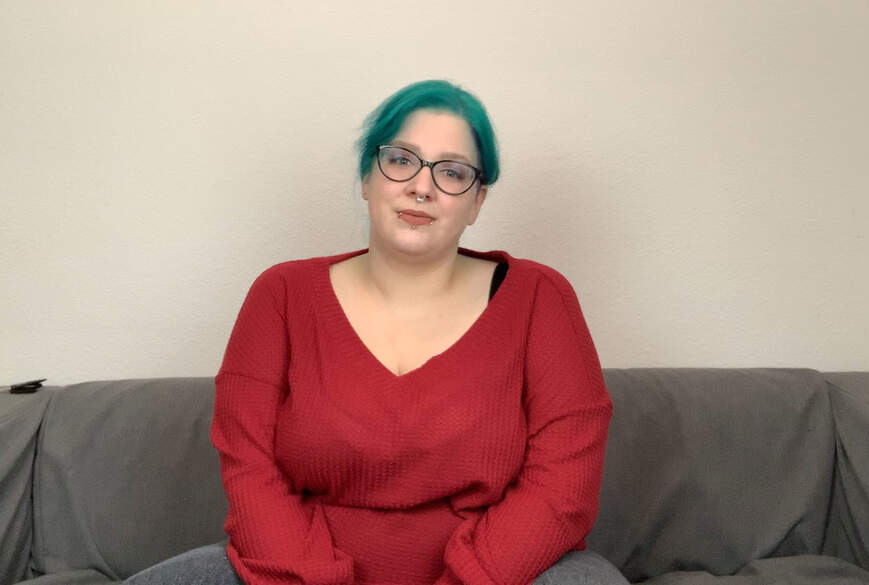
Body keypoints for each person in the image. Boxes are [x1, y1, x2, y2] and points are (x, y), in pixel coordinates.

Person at [123, 79, 628, 585]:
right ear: (367, 177)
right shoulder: (280, 295)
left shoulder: (540, 298)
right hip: (295, 571)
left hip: (499, 576)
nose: (422, 187)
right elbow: (250, 472)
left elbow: (563, 489)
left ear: (477, 201)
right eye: (402, 160)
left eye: (452, 172)